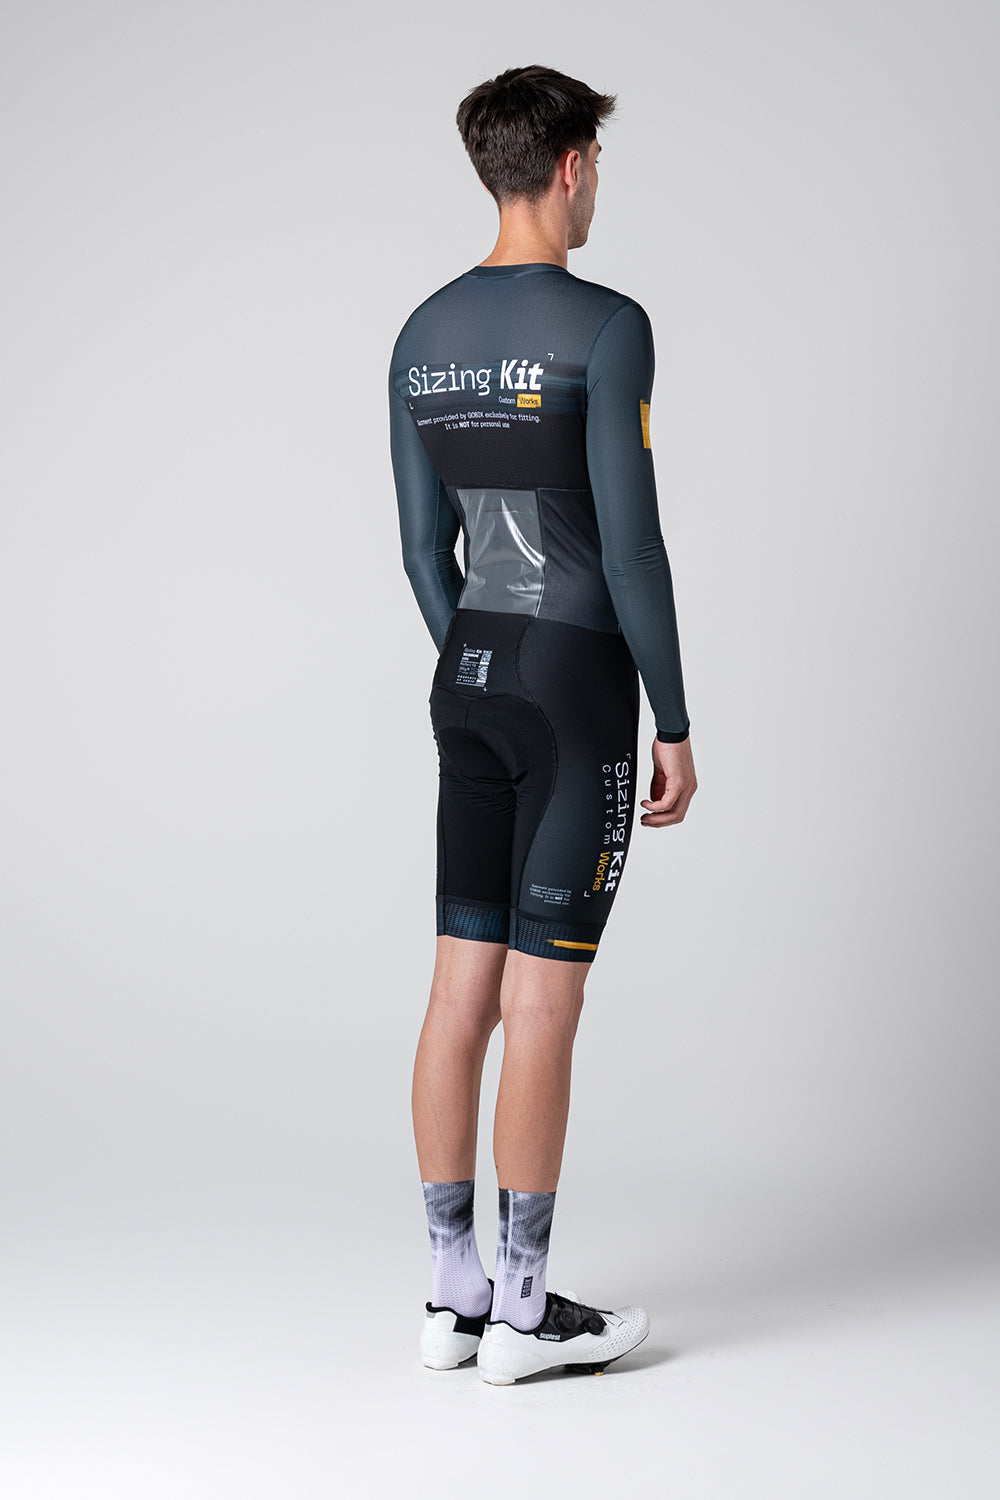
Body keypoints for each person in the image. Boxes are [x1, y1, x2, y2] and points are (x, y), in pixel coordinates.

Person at [388, 64, 697, 1386]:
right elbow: (631, 549)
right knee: (543, 998)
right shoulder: (608, 326)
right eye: (597, 167)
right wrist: (671, 715)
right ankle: (524, 1314)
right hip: (576, 691)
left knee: (458, 988)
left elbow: (423, 552)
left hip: (468, 680)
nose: (596, 187)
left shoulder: (421, 333)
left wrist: (483, 660)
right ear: (570, 165)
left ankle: (450, 1296)